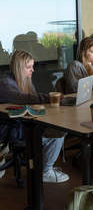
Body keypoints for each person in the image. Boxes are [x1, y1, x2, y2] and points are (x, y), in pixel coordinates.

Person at [0, 50, 69, 183]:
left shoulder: (25, 80)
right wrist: (49, 97)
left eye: (32, 66)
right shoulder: (5, 83)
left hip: (22, 123)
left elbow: (32, 100)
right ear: (19, 68)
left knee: (56, 127)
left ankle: (42, 166)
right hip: (11, 129)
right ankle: (45, 171)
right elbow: (24, 98)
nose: (33, 70)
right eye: (29, 67)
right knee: (58, 133)